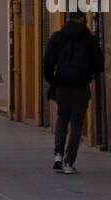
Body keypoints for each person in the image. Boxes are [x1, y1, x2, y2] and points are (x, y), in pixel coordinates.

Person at [43, 12, 104, 174]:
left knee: (62, 119)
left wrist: (53, 81)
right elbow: (99, 64)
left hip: (62, 86)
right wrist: (88, 73)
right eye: (84, 19)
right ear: (81, 20)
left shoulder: (57, 37)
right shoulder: (89, 39)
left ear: (68, 19)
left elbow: (47, 63)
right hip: (81, 86)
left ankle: (58, 155)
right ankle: (69, 162)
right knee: (76, 124)